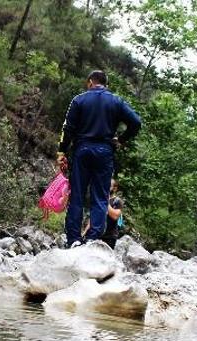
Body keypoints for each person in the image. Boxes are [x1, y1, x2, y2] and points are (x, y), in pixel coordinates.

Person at [58, 70, 141, 247]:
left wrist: (62, 151)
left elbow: (68, 128)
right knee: (100, 197)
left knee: (77, 196)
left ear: (90, 82)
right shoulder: (116, 101)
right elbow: (136, 122)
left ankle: (73, 239)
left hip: (82, 149)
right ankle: (93, 239)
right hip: (105, 151)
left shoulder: (79, 100)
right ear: (106, 84)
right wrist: (122, 139)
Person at [100, 179, 124, 249]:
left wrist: (105, 201)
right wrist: (85, 232)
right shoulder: (100, 199)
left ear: (115, 188)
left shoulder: (117, 201)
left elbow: (115, 216)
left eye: (108, 186)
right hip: (98, 234)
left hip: (109, 237)